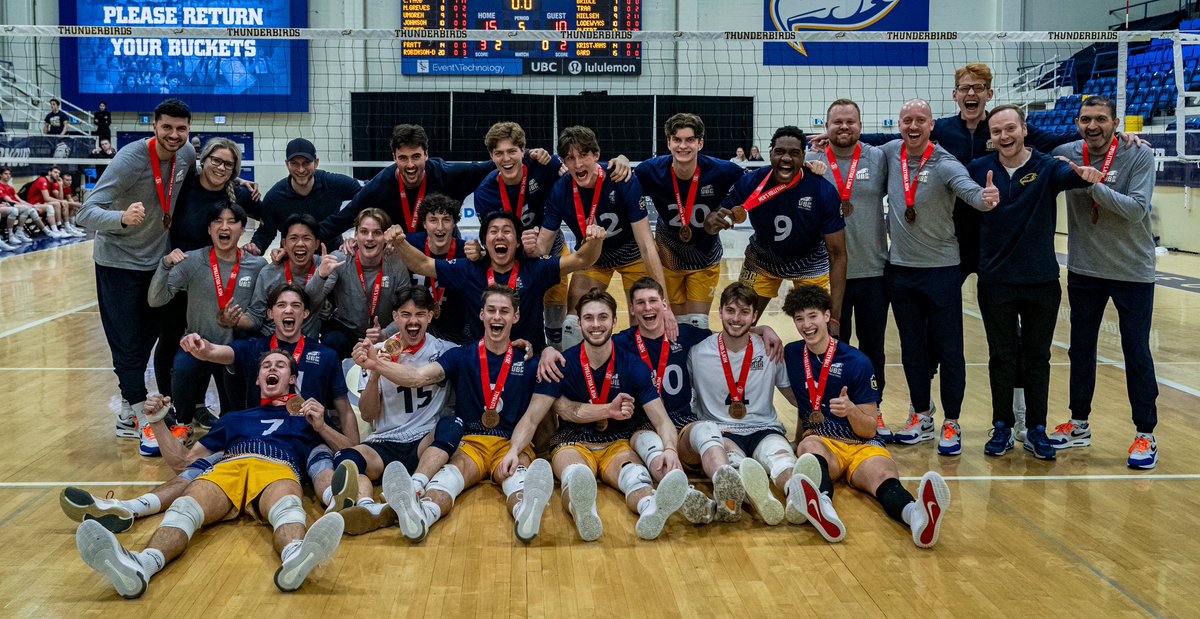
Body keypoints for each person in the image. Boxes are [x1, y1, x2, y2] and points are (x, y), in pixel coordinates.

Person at [63, 284, 357, 532]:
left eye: (295, 305)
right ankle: (127, 508)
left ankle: (341, 503)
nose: (289, 311)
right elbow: (217, 352)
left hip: (304, 433)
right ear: (271, 314)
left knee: (322, 460)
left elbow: (344, 410)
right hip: (251, 434)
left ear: (306, 313)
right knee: (197, 467)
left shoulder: (325, 355)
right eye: (281, 305)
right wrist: (200, 347)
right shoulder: (255, 348)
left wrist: (353, 450)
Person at [73, 351, 349, 598]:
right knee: (185, 507)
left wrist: (323, 426)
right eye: (266, 365)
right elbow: (184, 463)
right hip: (230, 465)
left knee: (287, 506)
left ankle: (294, 557)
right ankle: (143, 564)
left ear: (291, 379)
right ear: (258, 379)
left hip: (277, 464)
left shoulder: (310, 417)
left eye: (279, 365)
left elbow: (351, 451)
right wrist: (157, 422)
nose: (271, 369)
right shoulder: (233, 418)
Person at [356, 286, 558, 543]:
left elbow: (531, 419)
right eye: (492, 310)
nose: (497, 317)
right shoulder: (461, 355)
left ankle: (526, 511)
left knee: (516, 479)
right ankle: (420, 518)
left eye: (504, 311)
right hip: (470, 442)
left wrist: (514, 452)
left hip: (511, 442)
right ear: (481, 315)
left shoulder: (531, 362)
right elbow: (418, 377)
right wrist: (376, 364)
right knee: (446, 481)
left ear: (515, 317)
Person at [968, 105, 1103, 460]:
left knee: (1037, 357)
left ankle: (1037, 429)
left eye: (1010, 128)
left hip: (1041, 282)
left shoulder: (1047, 167)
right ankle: (1001, 426)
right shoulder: (979, 170)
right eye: (997, 131)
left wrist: (1087, 172)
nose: (1005, 136)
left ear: (1024, 130)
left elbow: (1073, 175)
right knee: (1001, 356)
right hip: (996, 281)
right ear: (990, 137)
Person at [781, 285, 951, 548]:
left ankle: (915, 515)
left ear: (827, 316)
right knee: (808, 446)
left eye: (812, 316)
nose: (806, 325)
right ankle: (823, 507)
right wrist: (764, 329)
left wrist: (851, 410)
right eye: (799, 319)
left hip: (861, 445)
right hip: (825, 445)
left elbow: (870, 429)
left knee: (884, 479)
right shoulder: (791, 353)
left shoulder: (857, 361)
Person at [75, 98, 197, 447]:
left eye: (181, 129)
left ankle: (129, 409)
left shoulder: (186, 155)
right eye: (167, 128)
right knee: (126, 341)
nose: (174, 135)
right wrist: (121, 218)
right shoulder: (130, 159)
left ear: (189, 130)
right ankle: (142, 413)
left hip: (155, 262)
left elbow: (198, 182)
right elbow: (85, 214)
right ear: (154, 128)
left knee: (147, 336)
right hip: (118, 262)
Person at [880, 99, 998, 455]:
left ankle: (952, 422)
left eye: (920, 120)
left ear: (932, 125)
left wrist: (985, 196)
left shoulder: (946, 163)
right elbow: (859, 144)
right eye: (907, 121)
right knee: (912, 350)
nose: (913, 126)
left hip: (943, 270)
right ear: (899, 125)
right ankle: (921, 414)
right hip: (901, 271)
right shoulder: (890, 153)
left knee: (950, 350)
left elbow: (969, 190)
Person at [527, 288, 691, 541]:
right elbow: (554, 412)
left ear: (615, 321)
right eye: (589, 318)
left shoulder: (633, 365)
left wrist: (670, 449)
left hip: (618, 441)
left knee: (635, 478)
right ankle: (584, 511)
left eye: (603, 317)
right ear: (579, 323)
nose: (596, 325)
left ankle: (650, 509)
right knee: (575, 475)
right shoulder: (563, 364)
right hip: (574, 440)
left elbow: (661, 419)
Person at [1050, 96, 1161, 469]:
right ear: (1077, 123)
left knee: (1136, 351)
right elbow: (1019, 145)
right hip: (1084, 270)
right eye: (1085, 119)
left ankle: (1145, 433)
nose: (1093, 126)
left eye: (1101, 119)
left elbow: (1135, 209)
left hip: (1132, 271)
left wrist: (1091, 183)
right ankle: (1079, 423)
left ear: (1116, 123)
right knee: (1080, 350)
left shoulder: (1140, 154)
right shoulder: (1067, 150)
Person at [326, 286, 465, 535]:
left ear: (431, 316)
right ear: (395, 317)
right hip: (385, 441)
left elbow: (419, 377)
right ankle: (367, 506)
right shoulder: (377, 352)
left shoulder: (445, 350)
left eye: (420, 314)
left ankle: (413, 487)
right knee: (346, 458)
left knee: (452, 424)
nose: (413, 321)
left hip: (424, 440)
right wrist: (374, 375)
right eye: (406, 314)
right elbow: (368, 415)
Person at [391, 209, 606, 354]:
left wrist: (595, 240)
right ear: (484, 242)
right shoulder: (469, 269)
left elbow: (582, 258)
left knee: (547, 412)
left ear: (518, 242)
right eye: (493, 232)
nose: (500, 236)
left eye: (507, 232)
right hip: (484, 360)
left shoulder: (536, 269)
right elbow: (423, 265)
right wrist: (399, 242)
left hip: (530, 358)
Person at [538, 125, 672, 349]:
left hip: (633, 254)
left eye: (583, 156)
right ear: (564, 162)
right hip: (593, 257)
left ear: (596, 155)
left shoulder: (620, 178)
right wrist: (529, 249)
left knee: (644, 319)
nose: (578, 164)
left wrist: (664, 303)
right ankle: (579, 376)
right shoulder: (560, 191)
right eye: (570, 158)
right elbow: (543, 247)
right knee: (572, 323)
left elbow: (647, 245)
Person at [805, 99, 893, 440]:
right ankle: (829, 410)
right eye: (837, 122)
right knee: (831, 347)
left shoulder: (879, 157)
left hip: (872, 269)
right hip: (825, 274)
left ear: (860, 124)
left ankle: (874, 410)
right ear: (826, 127)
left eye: (851, 122)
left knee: (873, 347)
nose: (844, 127)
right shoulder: (812, 161)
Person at [683, 283, 804, 526]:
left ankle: (796, 498)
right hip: (723, 431)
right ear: (720, 312)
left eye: (744, 312)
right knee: (733, 467)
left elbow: (795, 396)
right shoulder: (698, 353)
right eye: (730, 311)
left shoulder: (770, 350)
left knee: (782, 458)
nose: (736, 319)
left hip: (764, 428)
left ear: (754, 316)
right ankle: (763, 499)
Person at [148, 202, 266, 432]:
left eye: (232, 222)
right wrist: (165, 264)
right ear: (209, 229)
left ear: (243, 229)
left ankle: (231, 426)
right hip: (197, 344)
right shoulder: (192, 261)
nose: (225, 227)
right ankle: (182, 424)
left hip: (234, 350)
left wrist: (237, 322)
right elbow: (156, 299)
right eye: (218, 222)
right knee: (181, 369)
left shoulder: (258, 265)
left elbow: (258, 318)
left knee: (234, 417)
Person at [717, 126, 847, 319]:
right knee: (741, 320)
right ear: (770, 155)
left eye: (794, 153)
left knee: (820, 326)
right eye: (779, 152)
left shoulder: (822, 190)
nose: (786, 158)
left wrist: (835, 317)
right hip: (762, 258)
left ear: (804, 157)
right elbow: (721, 211)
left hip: (810, 262)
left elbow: (837, 253)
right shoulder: (753, 181)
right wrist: (716, 220)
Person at [633, 113, 747, 327]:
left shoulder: (723, 171)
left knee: (697, 325)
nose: (683, 146)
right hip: (668, 257)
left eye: (689, 140)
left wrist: (730, 210)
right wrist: (620, 160)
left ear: (700, 143)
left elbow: (756, 183)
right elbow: (617, 181)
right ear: (668, 142)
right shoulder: (650, 171)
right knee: (672, 325)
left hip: (704, 256)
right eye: (677, 140)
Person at [472, 121, 577, 348]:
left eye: (512, 151)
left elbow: (572, 176)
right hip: (514, 259)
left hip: (550, 248)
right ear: (491, 156)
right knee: (520, 311)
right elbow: (490, 237)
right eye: (499, 153)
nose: (506, 159)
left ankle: (555, 353)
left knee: (555, 318)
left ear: (523, 151)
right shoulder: (485, 193)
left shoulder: (543, 165)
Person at [319, 124, 504, 241]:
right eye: (403, 158)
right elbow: (341, 220)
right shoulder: (380, 185)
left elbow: (498, 162)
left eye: (416, 157)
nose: (410, 165)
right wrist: (302, 241)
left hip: (444, 248)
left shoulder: (447, 174)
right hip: (401, 252)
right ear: (394, 158)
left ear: (426, 155)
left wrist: (529, 154)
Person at [308, 208, 411, 359]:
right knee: (332, 341)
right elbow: (311, 301)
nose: (370, 238)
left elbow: (407, 309)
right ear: (355, 235)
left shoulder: (396, 263)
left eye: (377, 233)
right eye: (364, 232)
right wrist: (320, 275)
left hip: (384, 333)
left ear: (385, 237)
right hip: (346, 331)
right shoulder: (341, 258)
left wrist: (385, 333)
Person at [246, 138, 363, 255]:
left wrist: (360, 233)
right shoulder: (275, 197)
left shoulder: (332, 183)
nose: (301, 169)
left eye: (306, 163)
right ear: (287, 164)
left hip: (331, 255)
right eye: (294, 163)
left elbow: (370, 193)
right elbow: (265, 233)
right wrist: (255, 248)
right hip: (293, 258)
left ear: (316, 163)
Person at [248, 214, 327, 340]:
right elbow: (256, 314)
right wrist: (235, 321)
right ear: (284, 243)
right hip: (271, 340)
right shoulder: (269, 272)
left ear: (317, 244)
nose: (300, 243)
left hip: (308, 344)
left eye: (306, 238)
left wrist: (352, 242)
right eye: (293, 238)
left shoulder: (325, 268)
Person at [403, 193, 469, 342]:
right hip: (415, 327)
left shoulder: (466, 252)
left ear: (454, 224)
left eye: (446, 220)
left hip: (455, 332)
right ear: (424, 224)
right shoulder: (408, 244)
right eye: (433, 220)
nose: (440, 227)